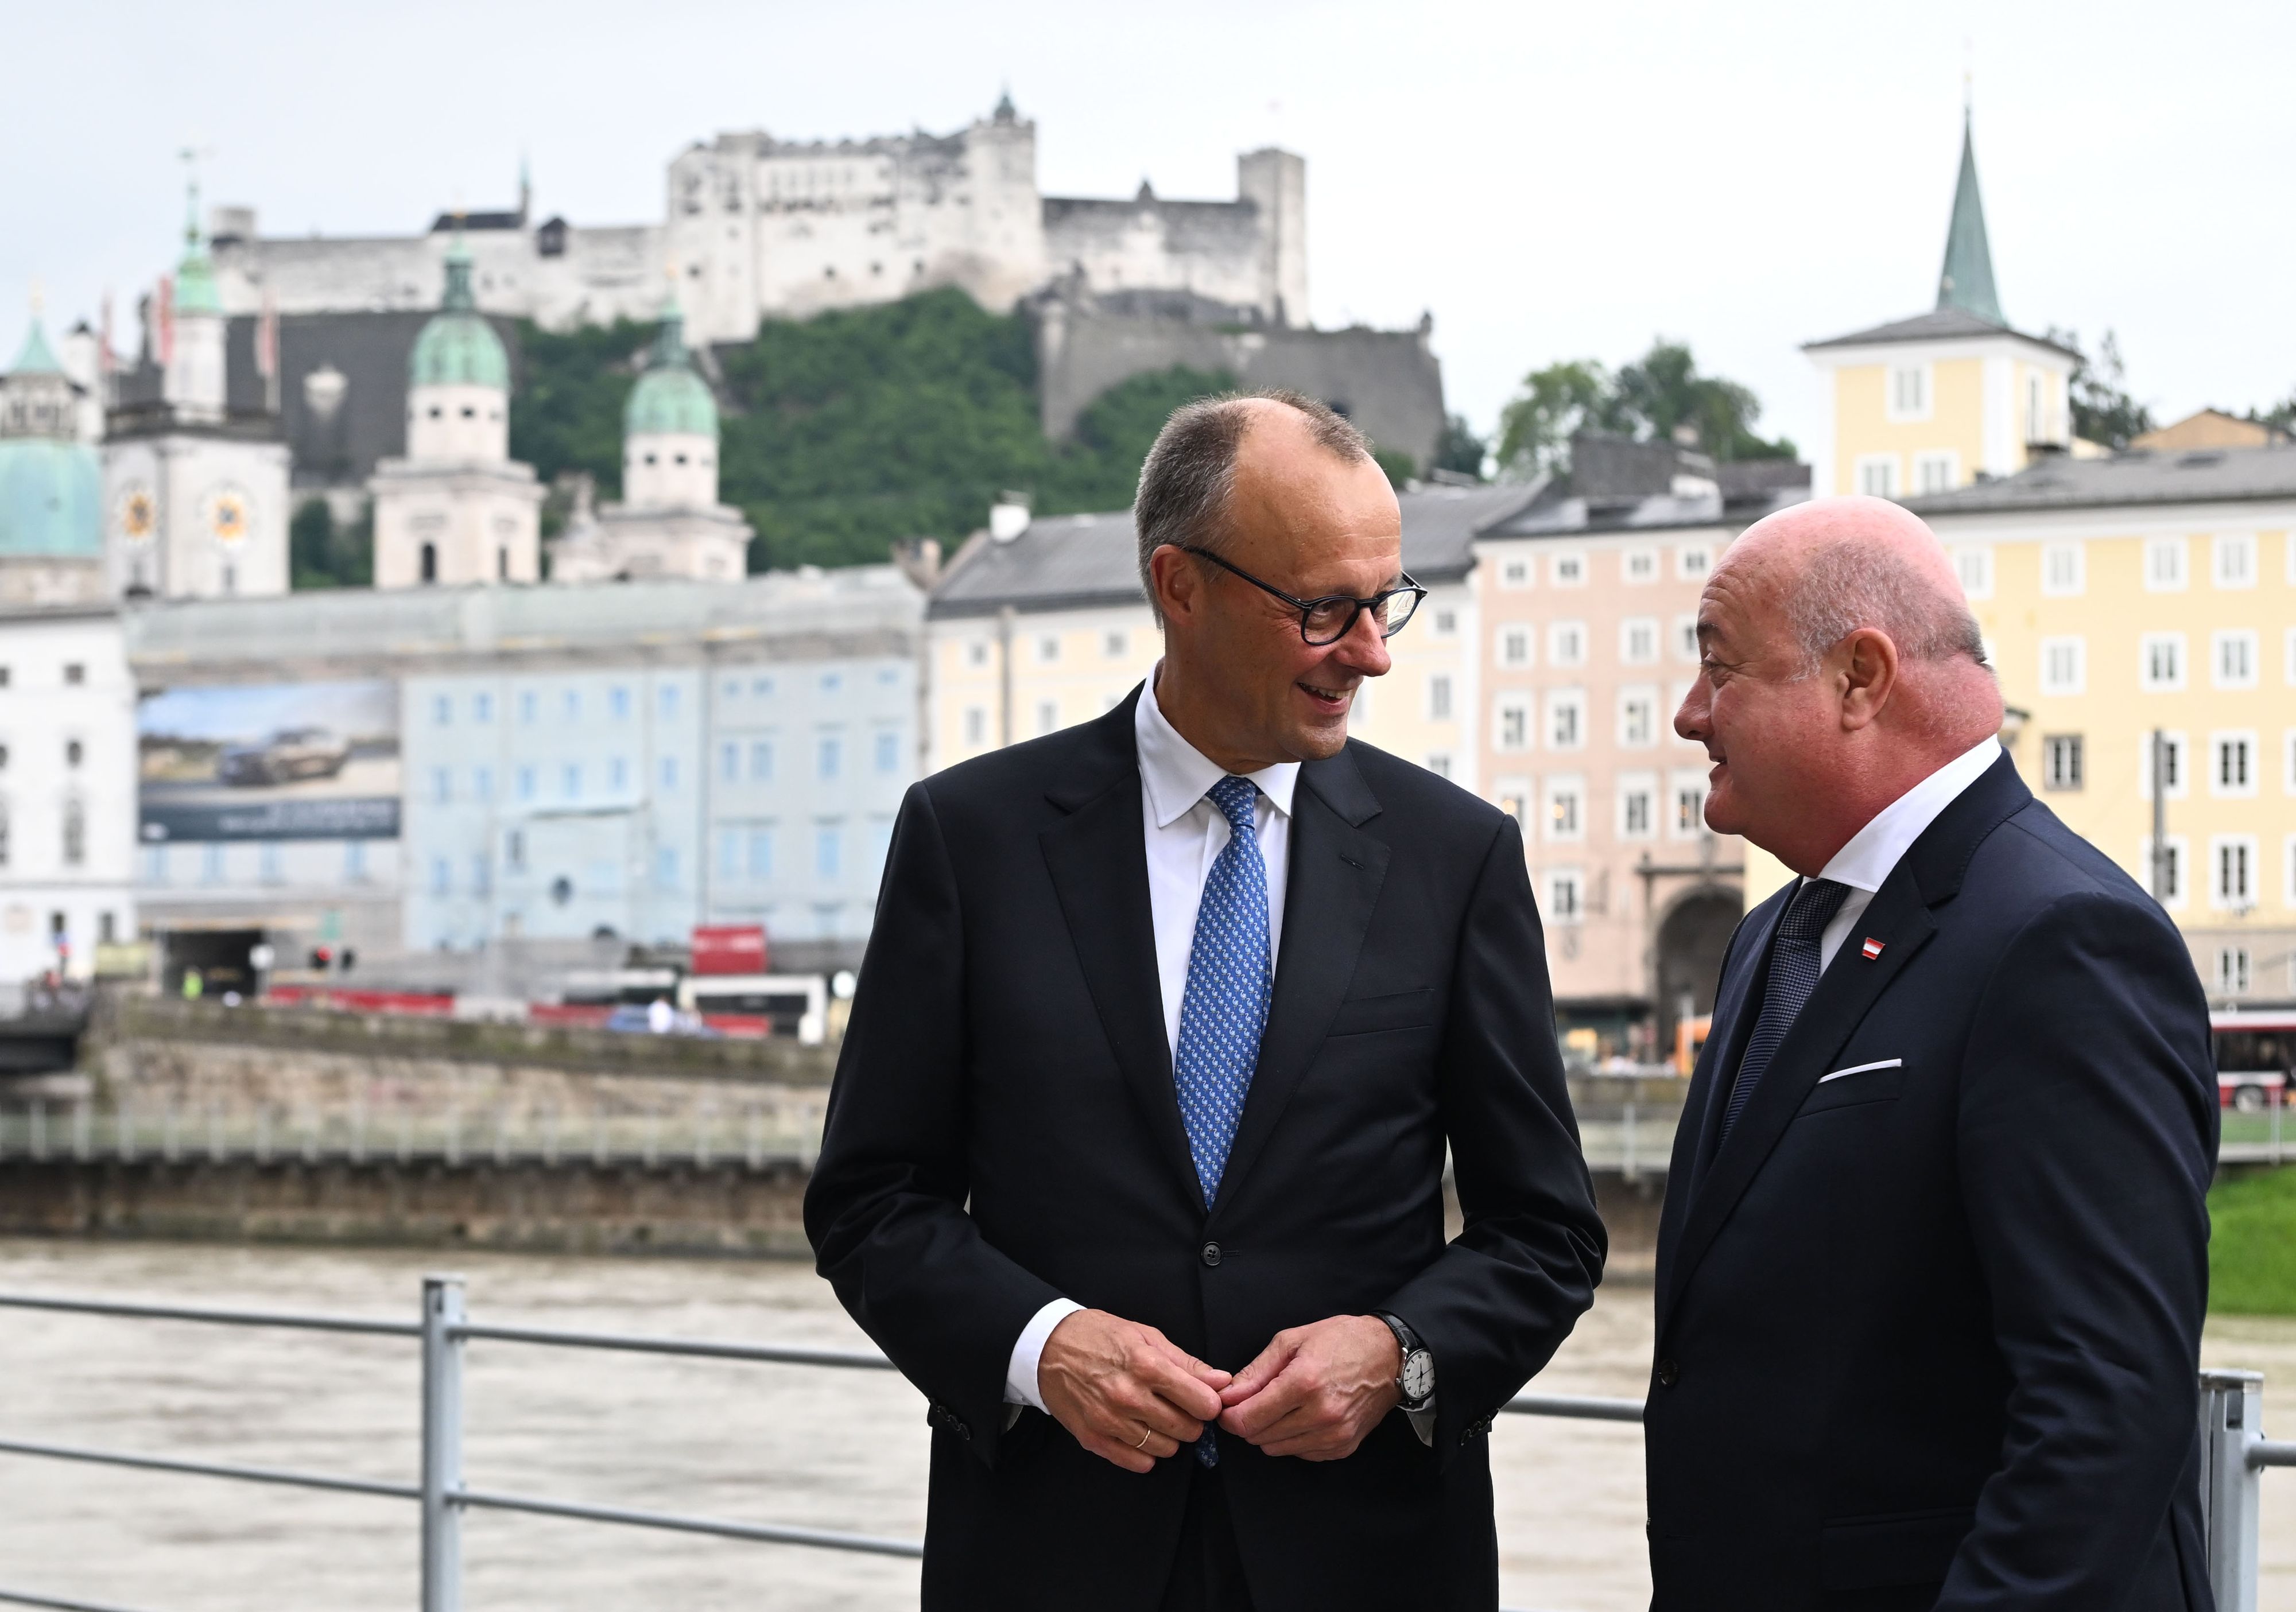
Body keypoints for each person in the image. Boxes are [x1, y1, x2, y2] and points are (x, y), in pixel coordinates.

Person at [805, 391, 1605, 1610]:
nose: (1372, 653)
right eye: (1323, 609)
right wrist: (1039, 1345)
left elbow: (1546, 1231)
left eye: (1384, 602)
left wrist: (1399, 1355)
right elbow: (869, 1200)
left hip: (1367, 1560)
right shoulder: (969, 839)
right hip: (1053, 1557)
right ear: (1179, 586)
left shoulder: (1457, 857)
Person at [1646, 496, 2216, 1610]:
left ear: (1859, 678)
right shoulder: (1773, 934)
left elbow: (2102, 1407)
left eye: (1719, 668)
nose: (1688, 713)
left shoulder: (2061, 938)